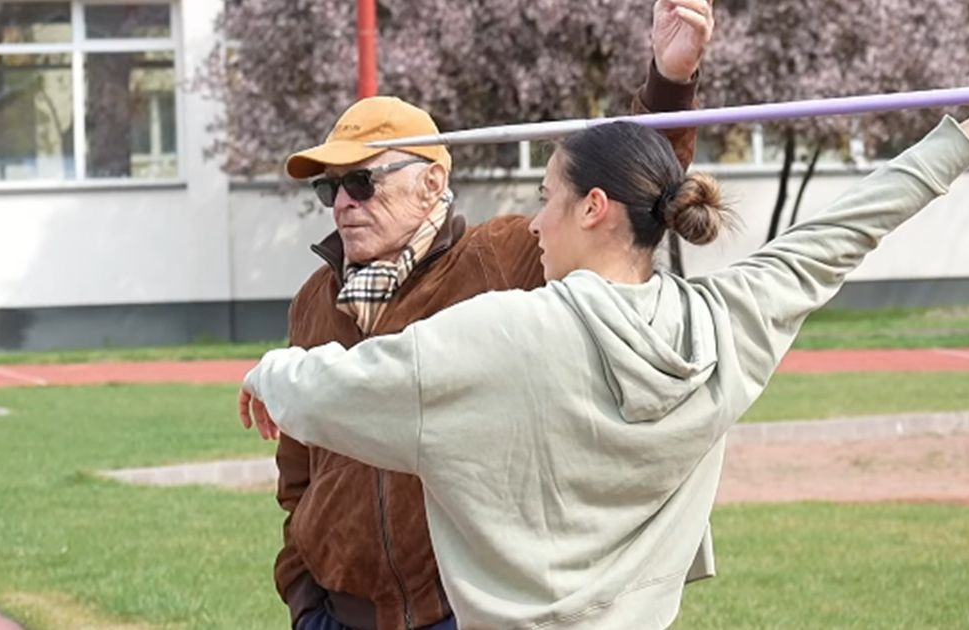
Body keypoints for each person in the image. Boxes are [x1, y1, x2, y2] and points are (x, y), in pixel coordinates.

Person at [240, 65, 969, 629]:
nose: (534, 219)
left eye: (546, 196)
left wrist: (269, 373)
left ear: (595, 208)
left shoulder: (498, 334)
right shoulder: (726, 321)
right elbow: (844, 229)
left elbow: (320, 394)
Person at [254, 3, 718, 628]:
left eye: (361, 182)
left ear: (430, 182)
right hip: (335, 614)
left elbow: (625, 191)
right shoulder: (314, 298)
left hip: (461, 612)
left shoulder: (501, 257)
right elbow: (296, 474)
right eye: (327, 187)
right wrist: (303, 595)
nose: (341, 202)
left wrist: (669, 77)